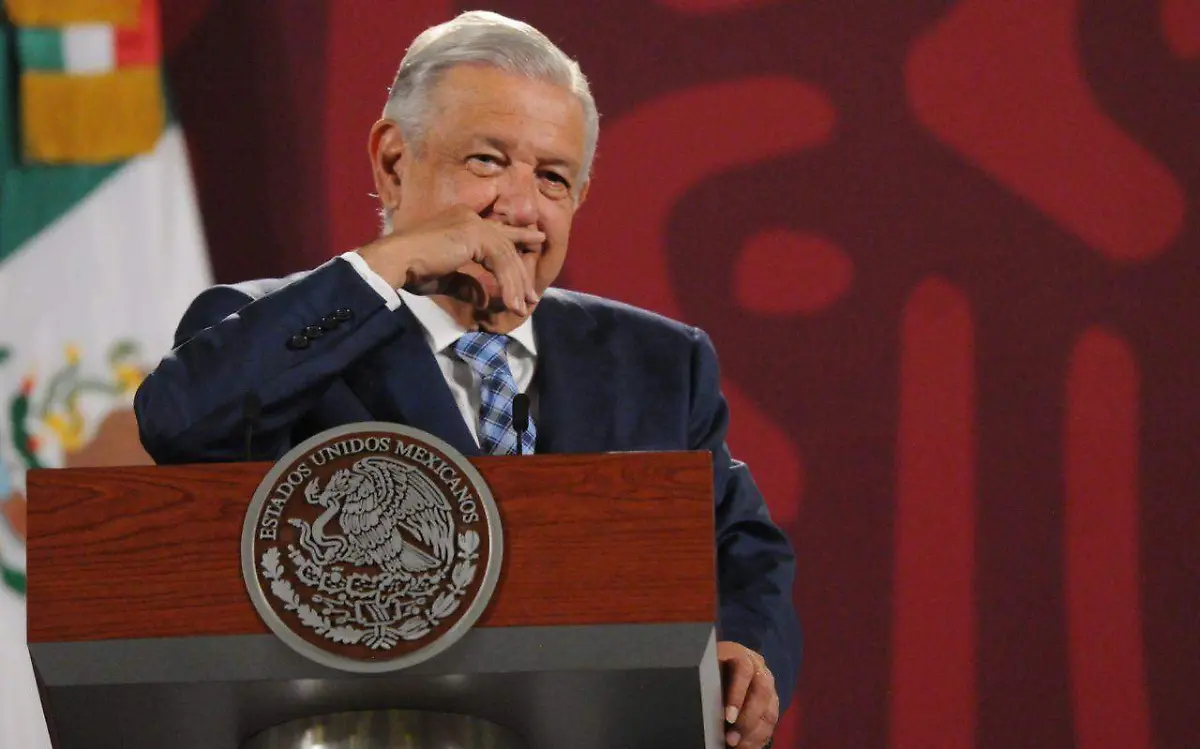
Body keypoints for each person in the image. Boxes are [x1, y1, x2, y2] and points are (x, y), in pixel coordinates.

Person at [134, 11, 800, 748]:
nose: (520, 207)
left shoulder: (658, 361)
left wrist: (748, 652)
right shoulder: (273, 329)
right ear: (393, 163)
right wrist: (387, 265)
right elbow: (180, 421)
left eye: (553, 178)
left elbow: (743, 549)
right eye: (486, 161)